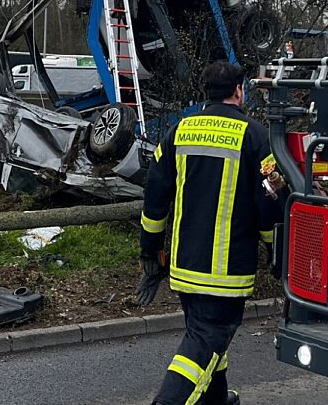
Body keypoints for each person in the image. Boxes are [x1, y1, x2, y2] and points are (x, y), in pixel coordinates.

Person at [138, 61, 283, 405]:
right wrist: (275, 250)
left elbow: (155, 194)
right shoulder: (255, 136)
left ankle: (216, 400)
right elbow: (267, 202)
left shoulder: (180, 130)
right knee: (204, 342)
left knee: (207, 338)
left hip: (184, 268)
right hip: (226, 273)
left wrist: (150, 250)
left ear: (205, 92)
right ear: (238, 91)